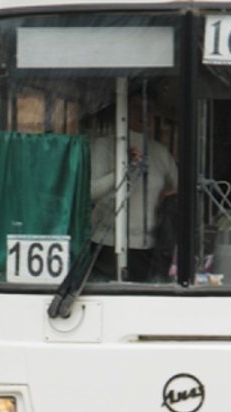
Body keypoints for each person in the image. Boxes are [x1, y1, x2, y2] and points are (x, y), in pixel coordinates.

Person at [89, 89, 178, 280]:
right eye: (137, 107)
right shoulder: (105, 146)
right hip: (107, 246)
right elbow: (92, 193)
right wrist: (121, 171)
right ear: (124, 109)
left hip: (150, 248)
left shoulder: (161, 153)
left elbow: (178, 192)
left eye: (149, 109)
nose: (143, 114)